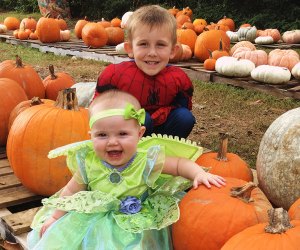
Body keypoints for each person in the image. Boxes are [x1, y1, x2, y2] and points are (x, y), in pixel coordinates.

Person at [27, 89, 225, 249]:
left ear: (139, 134)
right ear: (91, 136)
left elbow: (180, 164)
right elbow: (70, 192)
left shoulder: (145, 161)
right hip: (95, 221)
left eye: (122, 134)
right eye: (102, 135)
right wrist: (55, 216)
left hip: (136, 223)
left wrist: (198, 173)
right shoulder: (89, 163)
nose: (113, 142)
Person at [94, 5, 195, 139]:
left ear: (173, 51)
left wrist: (160, 114)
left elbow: (181, 106)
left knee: (185, 117)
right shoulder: (116, 75)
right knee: (143, 118)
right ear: (130, 48)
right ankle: (132, 153)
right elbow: (100, 110)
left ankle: (166, 149)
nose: (152, 53)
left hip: (163, 126)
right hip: (125, 132)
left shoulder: (178, 78)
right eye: (143, 44)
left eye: (160, 45)